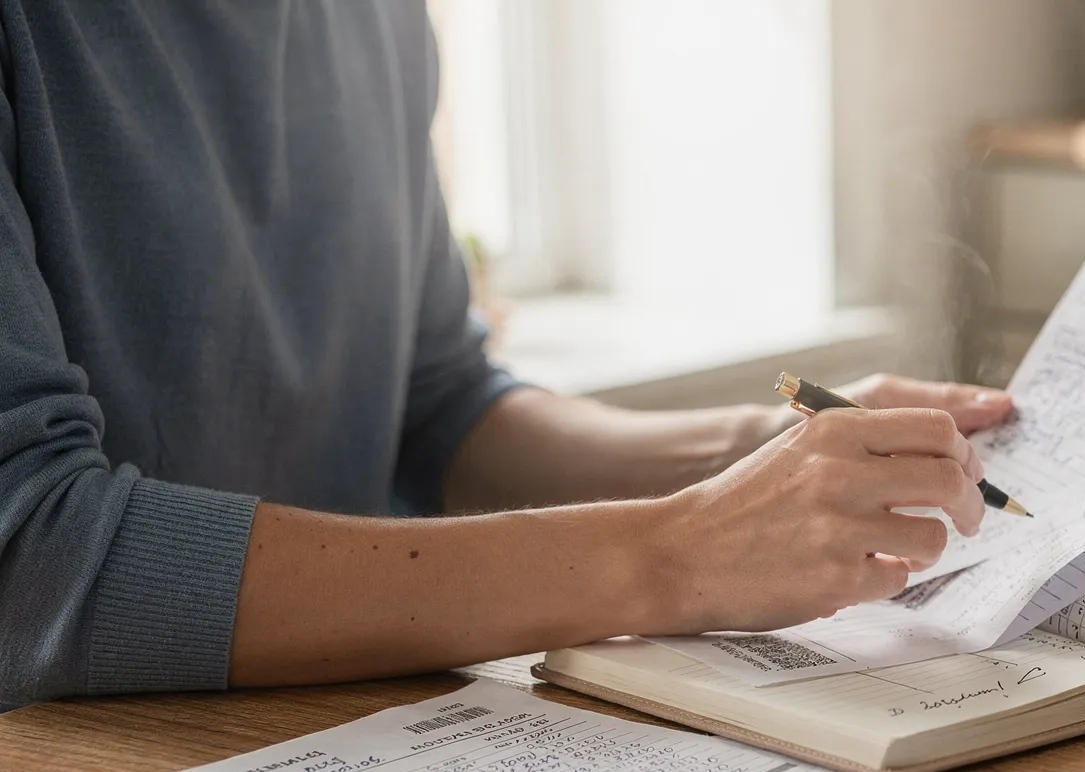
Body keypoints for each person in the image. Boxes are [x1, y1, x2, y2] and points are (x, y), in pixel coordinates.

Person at [0, 3, 1009, 710]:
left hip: (338, 746)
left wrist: (754, 454)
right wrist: (676, 549)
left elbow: (433, 402)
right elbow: (31, 556)